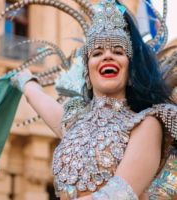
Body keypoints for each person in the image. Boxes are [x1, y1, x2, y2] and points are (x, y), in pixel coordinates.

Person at [10, 0, 177, 199]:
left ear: (130, 69)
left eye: (117, 51)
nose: (107, 56)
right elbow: (36, 98)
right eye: (97, 53)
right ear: (87, 72)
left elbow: (117, 194)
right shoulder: (76, 125)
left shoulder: (147, 123)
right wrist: (23, 80)